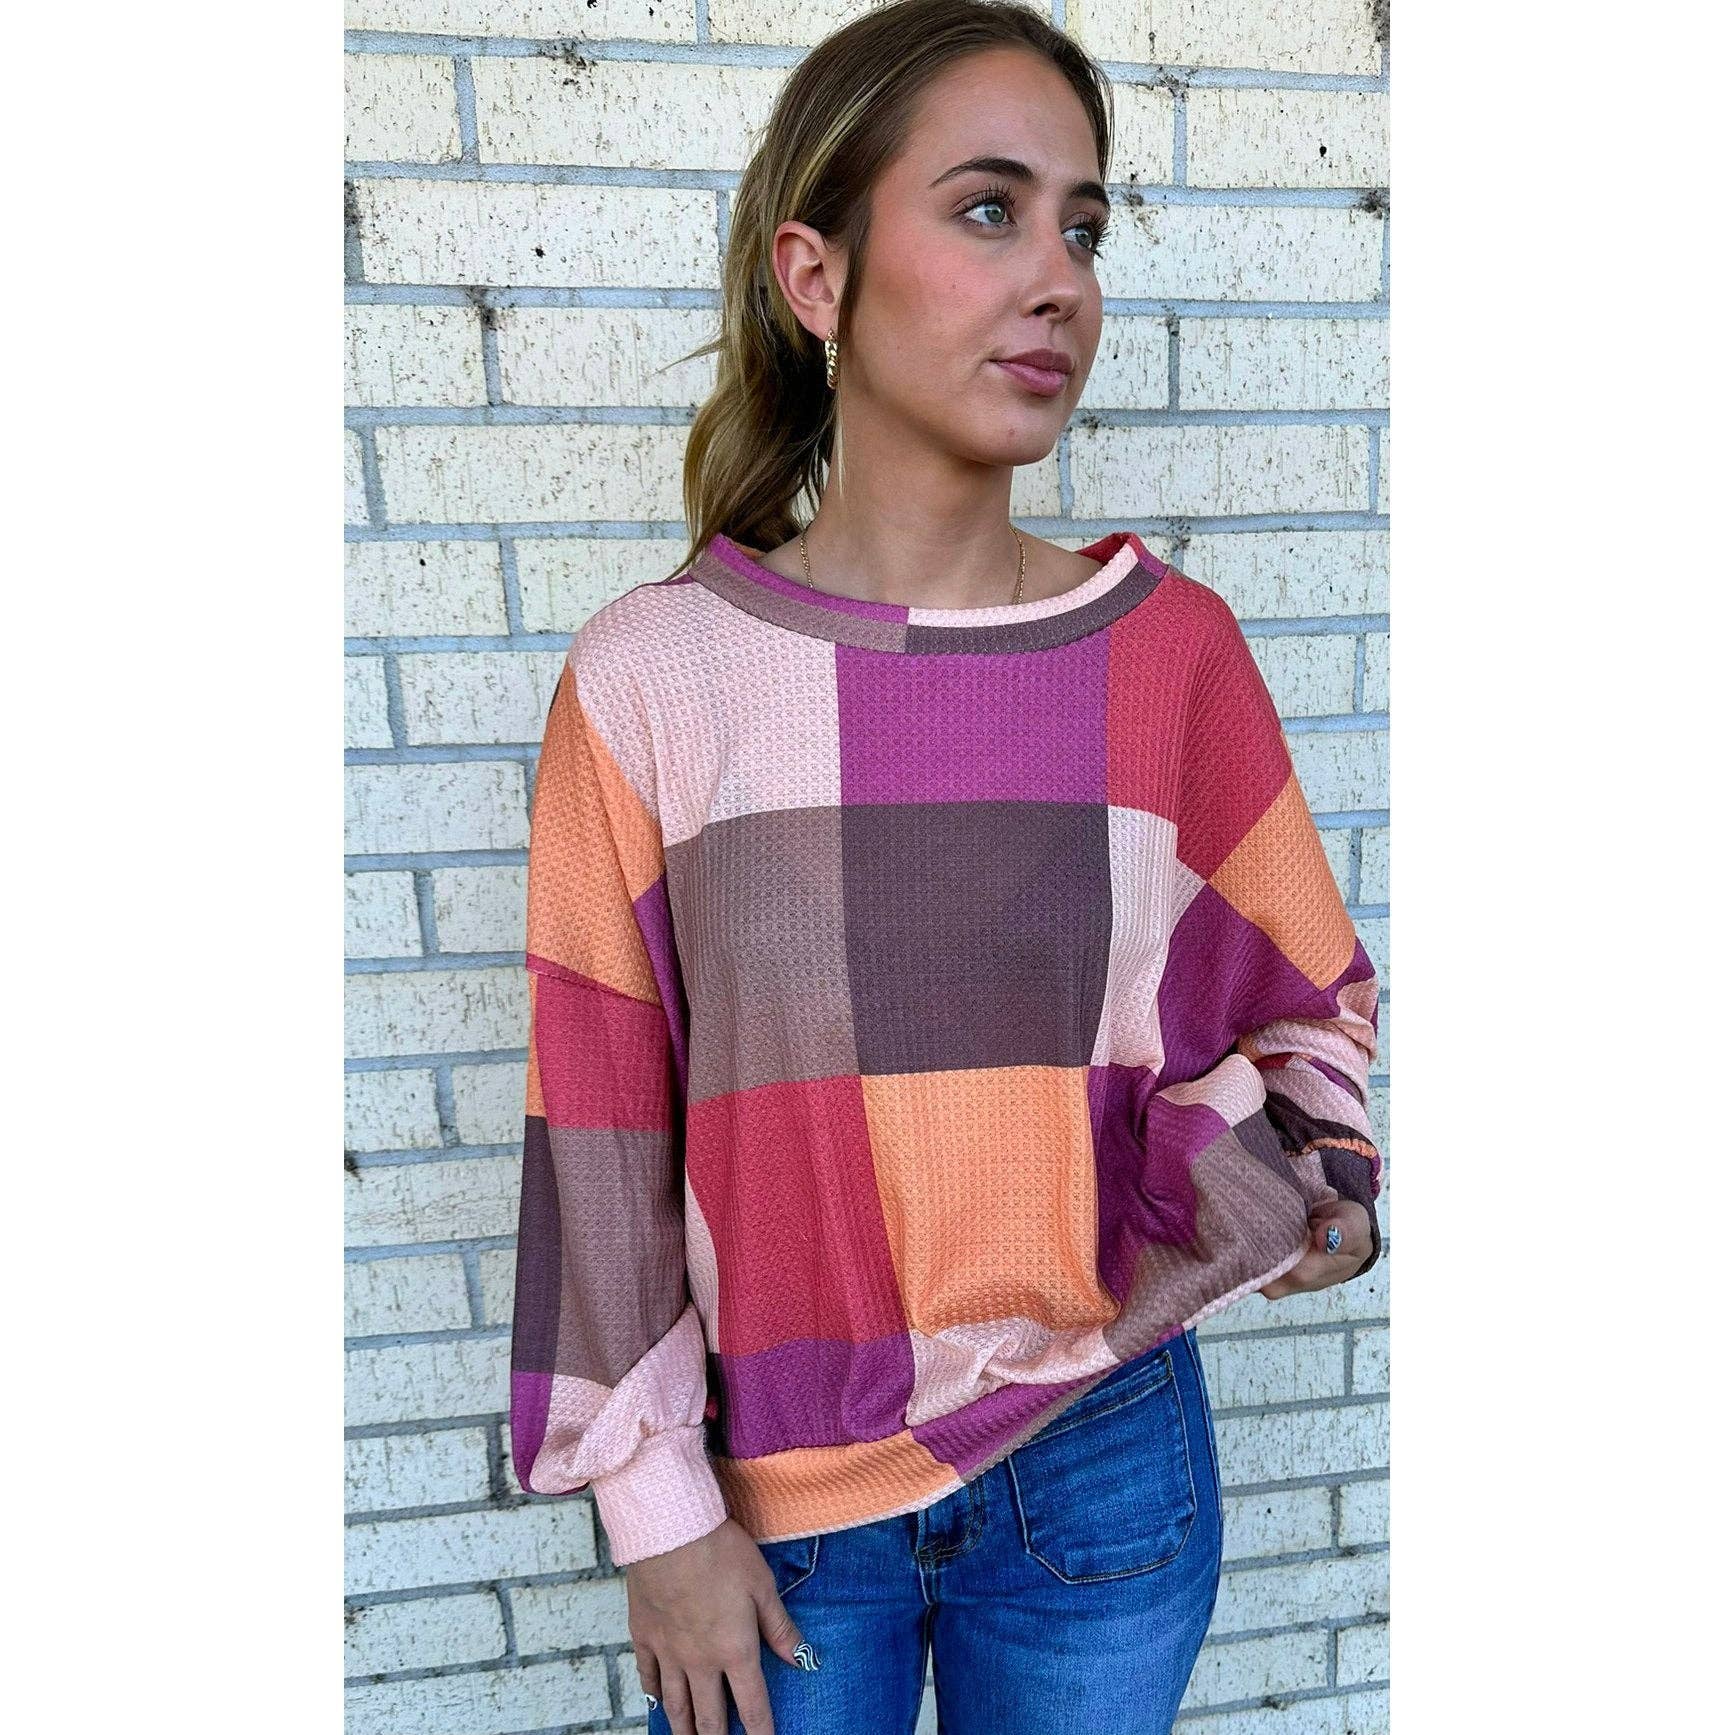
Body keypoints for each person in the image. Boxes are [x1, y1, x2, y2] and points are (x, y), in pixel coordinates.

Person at [506, 4, 1382, 1732]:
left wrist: (1313, 1185)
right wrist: (657, 1515)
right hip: (776, 1501)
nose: (1058, 278)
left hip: (1105, 1467)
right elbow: (598, 1125)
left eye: (1084, 226)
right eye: (989, 209)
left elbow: (1310, 1002)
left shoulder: (1169, 656)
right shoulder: (656, 678)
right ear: (815, 277)